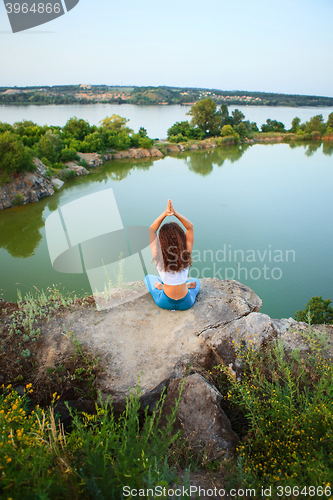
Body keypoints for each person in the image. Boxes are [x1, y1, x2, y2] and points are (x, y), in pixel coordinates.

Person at [144, 199, 201, 311]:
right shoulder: (185, 254)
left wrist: (165, 214)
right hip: (186, 303)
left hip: (165, 302)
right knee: (197, 281)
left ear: (161, 240)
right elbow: (190, 227)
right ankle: (186, 286)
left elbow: (151, 230)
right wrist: (175, 214)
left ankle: (162, 287)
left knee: (148, 278)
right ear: (181, 238)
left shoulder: (158, 256)